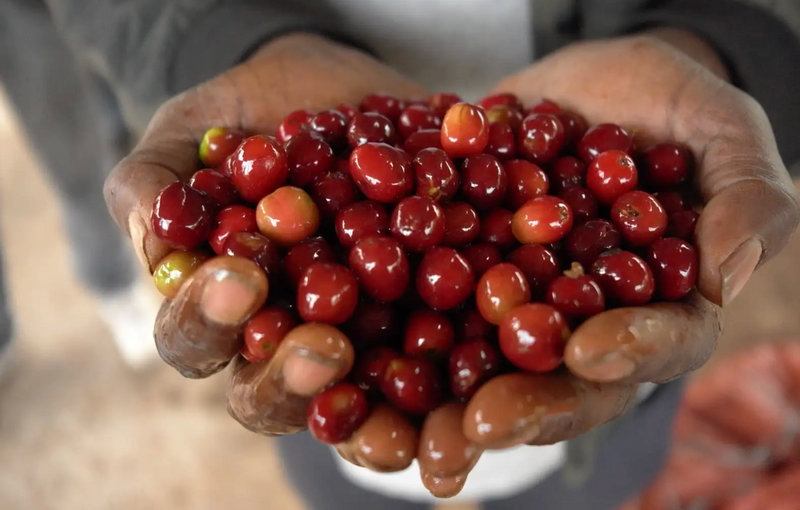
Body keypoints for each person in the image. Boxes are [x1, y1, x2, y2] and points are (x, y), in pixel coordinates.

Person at [1, 1, 800, 509]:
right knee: (332, 430)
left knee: (594, 468)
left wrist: (724, 37)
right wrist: (214, 34)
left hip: (611, 422)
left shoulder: (534, 216)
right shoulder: (334, 219)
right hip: (338, 417)